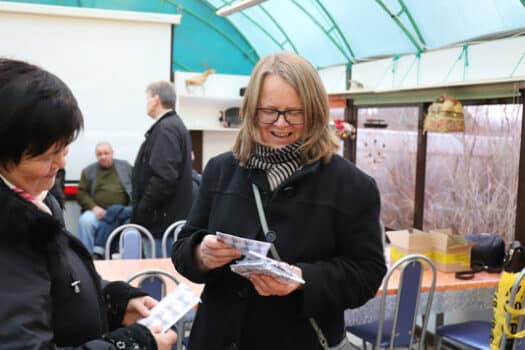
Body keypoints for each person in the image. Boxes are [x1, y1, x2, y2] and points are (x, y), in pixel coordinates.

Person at [171, 52, 387, 350]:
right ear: (251, 111)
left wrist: (303, 279)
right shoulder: (221, 170)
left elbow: (367, 273)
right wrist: (200, 254)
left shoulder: (352, 185)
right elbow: (182, 249)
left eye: (294, 112)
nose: (281, 124)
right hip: (217, 338)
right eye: (269, 111)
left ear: (314, 112)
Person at [0, 58, 177, 349]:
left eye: (65, 149)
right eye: (47, 156)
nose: (60, 163)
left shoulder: (36, 200)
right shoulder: (9, 233)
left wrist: (115, 300)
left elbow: (62, 282)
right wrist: (133, 343)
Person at [132, 80, 193, 257]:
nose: (146, 103)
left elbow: (164, 178)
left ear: (156, 99)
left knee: (159, 279)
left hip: (160, 224)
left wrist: (143, 209)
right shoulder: (172, 125)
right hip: (164, 219)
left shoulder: (166, 129)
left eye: (147, 98)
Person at [76, 141, 133, 254]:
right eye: (99, 154)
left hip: (123, 209)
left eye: (106, 153)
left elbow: (136, 187)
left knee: (129, 222)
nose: (103, 157)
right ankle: (88, 258)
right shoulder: (88, 171)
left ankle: (125, 259)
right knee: (85, 221)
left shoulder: (125, 167)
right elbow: (81, 193)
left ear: (112, 153)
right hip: (98, 211)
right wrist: (94, 208)